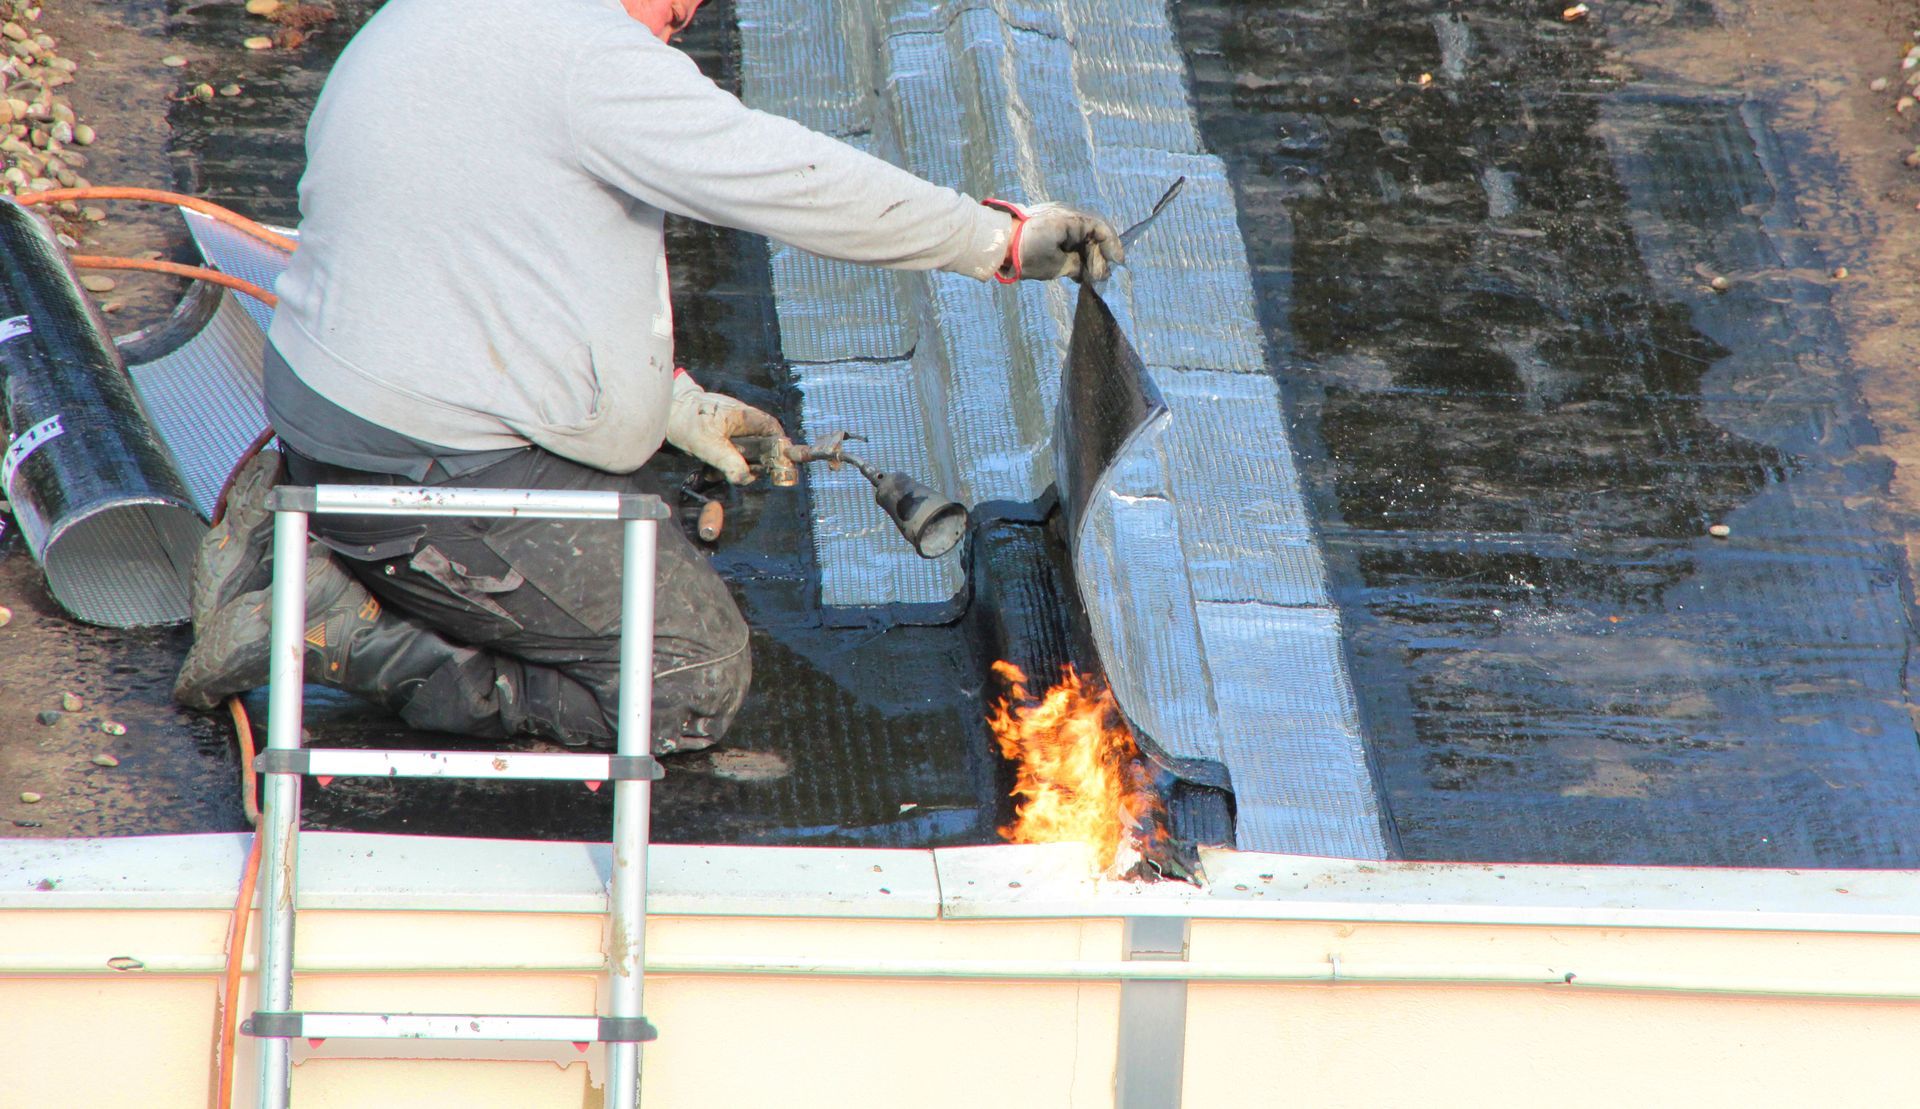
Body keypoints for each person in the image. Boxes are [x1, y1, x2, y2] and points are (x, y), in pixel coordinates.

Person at [172, 0, 1123, 754]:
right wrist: (997, 238)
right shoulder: (592, 61)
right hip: (420, 473)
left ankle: (332, 547)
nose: (693, 14)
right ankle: (335, 623)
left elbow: (490, 262)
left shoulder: (445, 16)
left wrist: (671, 405)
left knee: (642, 537)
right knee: (690, 673)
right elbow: (793, 180)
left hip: (342, 426)